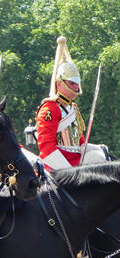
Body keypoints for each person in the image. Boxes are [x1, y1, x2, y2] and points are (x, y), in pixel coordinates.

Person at [36, 36, 108, 170]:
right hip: (59, 166)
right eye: (71, 83)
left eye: (77, 83)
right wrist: (69, 172)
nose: (76, 87)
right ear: (59, 84)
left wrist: (100, 150)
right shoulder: (49, 109)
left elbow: (78, 143)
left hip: (76, 162)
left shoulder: (72, 107)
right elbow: (46, 147)